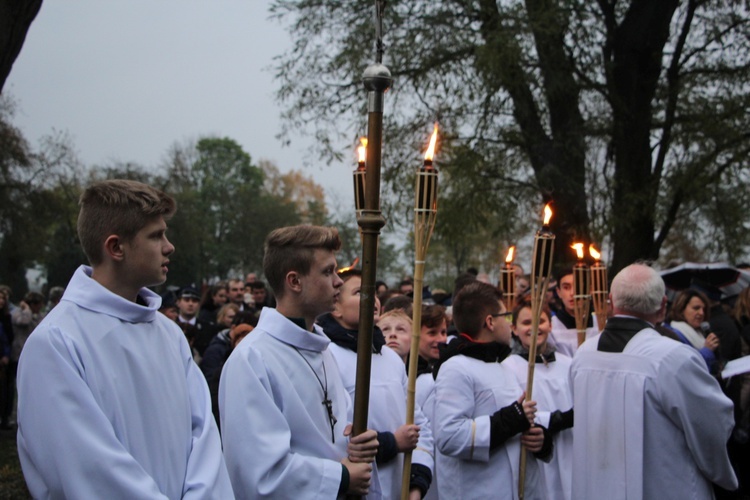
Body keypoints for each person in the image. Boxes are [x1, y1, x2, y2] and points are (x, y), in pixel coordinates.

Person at [15, 179, 233, 498]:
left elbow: (205, 439)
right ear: (116, 247)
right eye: (156, 235)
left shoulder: (169, 333)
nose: (169, 246)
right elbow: (91, 470)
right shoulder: (56, 343)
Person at [219, 225, 379, 499]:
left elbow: (337, 428)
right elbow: (259, 472)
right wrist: (340, 477)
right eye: (328, 272)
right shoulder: (252, 359)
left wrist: (357, 443)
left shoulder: (322, 349)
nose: (338, 281)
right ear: (294, 281)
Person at [570, 263, 738, 498]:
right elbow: (711, 424)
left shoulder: (582, 355)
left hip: (597, 486)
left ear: (610, 302)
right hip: (665, 486)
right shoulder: (674, 358)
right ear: (662, 307)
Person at [318, 268, 433, 499]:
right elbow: (333, 432)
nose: (373, 299)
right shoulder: (327, 357)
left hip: (401, 486)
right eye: (360, 292)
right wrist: (391, 443)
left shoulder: (390, 358)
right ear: (336, 307)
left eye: (373, 292)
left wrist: (416, 483)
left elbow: (418, 423)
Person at [433, 281, 551, 499]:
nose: (510, 324)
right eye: (506, 317)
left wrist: (539, 440)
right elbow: (449, 436)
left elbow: (517, 425)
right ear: (490, 322)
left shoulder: (500, 366)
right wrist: (511, 419)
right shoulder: (456, 368)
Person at [504, 300, 574, 500]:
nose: (534, 328)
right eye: (526, 323)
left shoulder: (568, 364)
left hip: (569, 446)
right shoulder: (510, 367)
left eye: (540, 321)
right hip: (535, 448)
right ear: (514, 329)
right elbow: (514, 410)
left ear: (550, 325)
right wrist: (556, 420)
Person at [666, 288, 720, 373]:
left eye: (703, 309)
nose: (702, 313)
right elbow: (689, 368)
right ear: (681, 309)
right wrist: (707, 350)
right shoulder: (674, 336)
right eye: (696, 308)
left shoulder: (701, 332)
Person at [548, 267, 599, 357]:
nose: (572, 293)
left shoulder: (600, 324)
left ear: (590, 290)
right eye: (566, 288)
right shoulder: (551, 328)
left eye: (578, 287)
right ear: (559, 292)